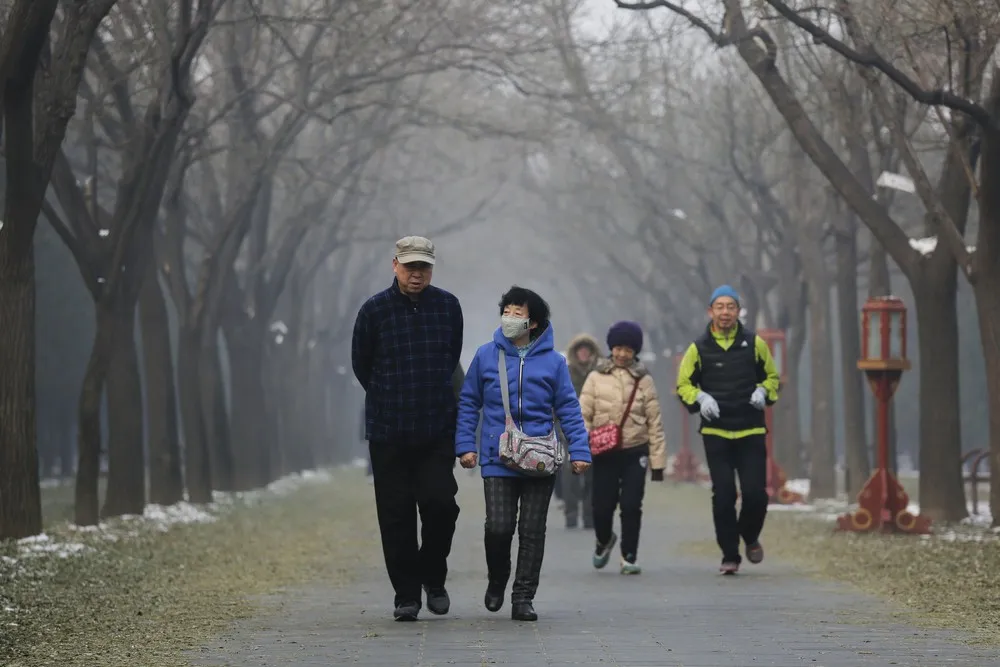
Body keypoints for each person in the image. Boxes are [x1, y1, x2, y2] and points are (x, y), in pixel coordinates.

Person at [456, 286, 591, 622]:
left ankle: (523, 597)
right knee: (499, 527)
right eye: (508, 311)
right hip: (497, 455)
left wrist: (579, 450)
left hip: (540, 458)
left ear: (534, 323)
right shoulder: (486, 356)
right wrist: (465, 446)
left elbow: (568, 409)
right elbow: (469, 402)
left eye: (519, 313)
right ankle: (497, 578)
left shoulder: (555, 363)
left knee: (532, 531)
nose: (510, 317)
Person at [351, 235, 463, 621]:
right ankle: (406, 594)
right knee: (396, 516)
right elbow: (361, 365)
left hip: (435, 430)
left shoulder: (448, 307)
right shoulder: (374, 311)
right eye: (410, 266)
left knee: (440, 506)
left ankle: (434, 576)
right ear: (394, 264)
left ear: (432, 269)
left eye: (424, 267)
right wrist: (388, 396)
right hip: (389, 431)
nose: (417, 274)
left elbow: (452, 360)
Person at [675, 285, 780, 575]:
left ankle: (750, 535)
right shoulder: (698, 348)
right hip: (716, 433)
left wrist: (763, 391)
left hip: (750, 431)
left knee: (756, 494)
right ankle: (730, 554)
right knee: (723, 494)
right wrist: (700, 398)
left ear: (738, 311)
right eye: (719, 306)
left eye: (730, 306)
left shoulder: (755, 343)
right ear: (710, 311)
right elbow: (683, 384)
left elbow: (773, 377)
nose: (725, 312)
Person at [579, 321, 666, 575]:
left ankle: (629, 555)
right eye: (618, 348)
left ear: (635, 351)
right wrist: (582, 441)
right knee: (601, 506)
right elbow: (582, 413)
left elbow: (655, 423)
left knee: (631, 505)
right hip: (603, 452)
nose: (622, 354)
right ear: (611, 348)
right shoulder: (595, 377)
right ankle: (604, 540)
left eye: (628, 349)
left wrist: (658, 463)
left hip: (635, 451)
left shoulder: (644, 380)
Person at [560, 334, 601, 529]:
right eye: (580, 350)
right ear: (576, 353)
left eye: (587, 350)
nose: (584, 353)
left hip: (596, 431)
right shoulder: (565, 374)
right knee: (570, 475)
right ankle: (571, 512)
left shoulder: (601, 375)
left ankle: (589, 515)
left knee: (594, 477)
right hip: (570, 431)